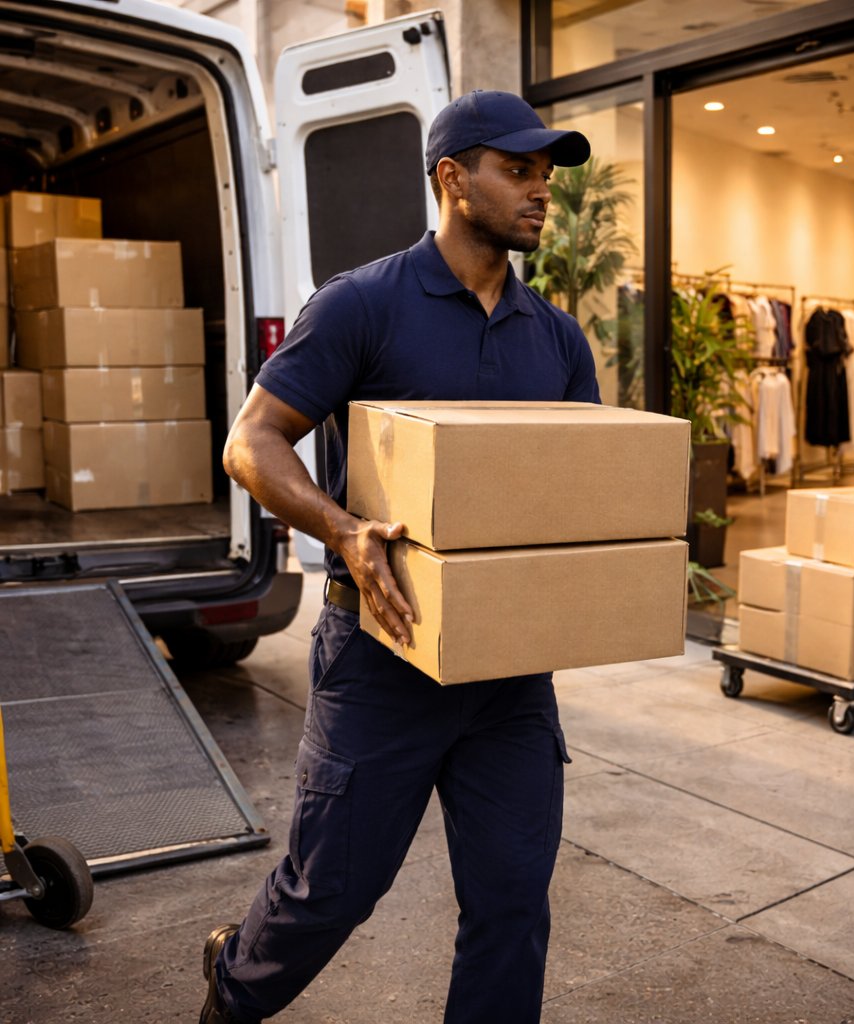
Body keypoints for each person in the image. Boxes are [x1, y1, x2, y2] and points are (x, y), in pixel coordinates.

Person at [200, 90, 597, 1024]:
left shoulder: (557, 338)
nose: (543, 193)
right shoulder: (363, 304)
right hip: (382, 653)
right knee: (329, 894)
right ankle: (231, 988)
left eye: (548, 176)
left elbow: (577, 490)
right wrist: (340, 527)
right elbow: (250, 444)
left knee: (511, 905)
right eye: (520, 170)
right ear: (453, 179)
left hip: (508, 670)